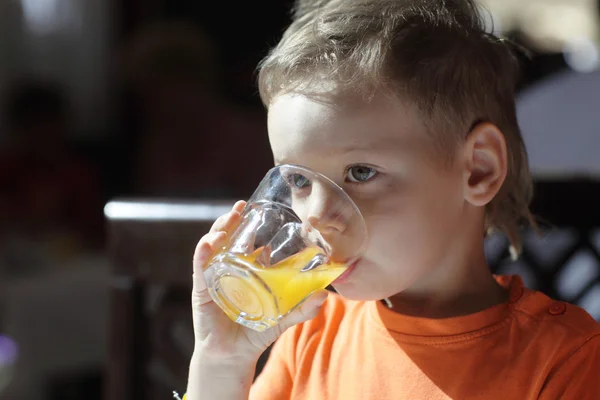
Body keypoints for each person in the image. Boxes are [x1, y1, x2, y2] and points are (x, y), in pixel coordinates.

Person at [184, 1, 600, 399]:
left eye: (361, 173)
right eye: (298, 179)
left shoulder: (564, 361)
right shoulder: (310, 337)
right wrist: (222, 363)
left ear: (478, 169)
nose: (315, 218)